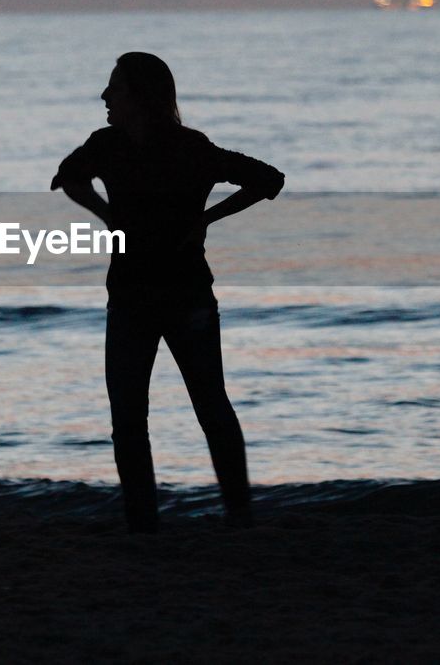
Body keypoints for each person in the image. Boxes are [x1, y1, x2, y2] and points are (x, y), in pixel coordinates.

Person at [50, 52, 285, 533]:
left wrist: (207, 217)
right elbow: (67, 177)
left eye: (114, 88)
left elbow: (269, 179)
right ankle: (159, 522)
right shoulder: (113, 144)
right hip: (144, 296)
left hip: (178, 298)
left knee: (193, 409)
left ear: (139, 96)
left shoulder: (183, 146)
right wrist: (107, 214)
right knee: (151, 414)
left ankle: (226, 516)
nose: (105, 96)